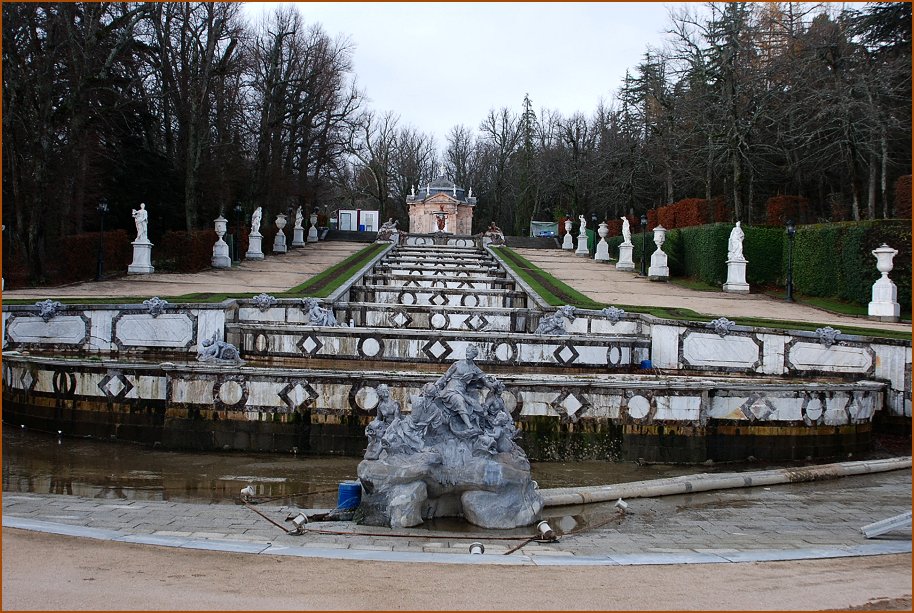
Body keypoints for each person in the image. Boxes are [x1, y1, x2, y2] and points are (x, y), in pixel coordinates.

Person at [435, 345, 487, 435]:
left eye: (470, 352)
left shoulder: (475, 368)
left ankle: (483, 430)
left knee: (478, 407)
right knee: (459, 400)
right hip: (451, 389)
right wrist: (437, 384)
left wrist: (493, 385)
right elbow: (446, 376)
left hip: (463, 391)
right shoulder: (457, 364)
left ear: (474, 355)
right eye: (467, 351)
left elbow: (485, 381)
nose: (467, 353)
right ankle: (469, 426)